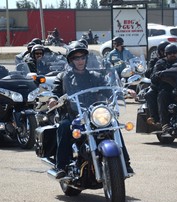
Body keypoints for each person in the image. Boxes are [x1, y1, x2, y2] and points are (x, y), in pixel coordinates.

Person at [48, 41, 134, 179]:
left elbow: (108, 90)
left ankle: (125, 162)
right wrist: (53, 99)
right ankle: (61, 166)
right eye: (76, 58)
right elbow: (55, 92)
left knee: (114, 124)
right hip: (74, 114)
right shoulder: (64, 77)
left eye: (82, 57)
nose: (80, 61)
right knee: (64, 127)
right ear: (71, 60)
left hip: (95, 113)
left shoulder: (95, 76)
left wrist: (123, 92)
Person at [150, 43, 177, 132]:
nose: (172, 55)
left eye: (174, 53)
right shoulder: (161, 62)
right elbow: (153, 76)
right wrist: (159, 74)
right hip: (167, 88)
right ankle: (165, 124)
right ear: (166, 54)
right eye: (170, 53)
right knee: (163, 95)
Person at [145, 41, 170, 126]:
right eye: (163, 51)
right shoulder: (155, 61)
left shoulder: (174, 60)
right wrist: (156, 69)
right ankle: (155, 118)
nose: (165, 53)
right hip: (158, 85)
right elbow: (148, 74)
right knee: (149, 94)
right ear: (160, 52)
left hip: (172, 85)